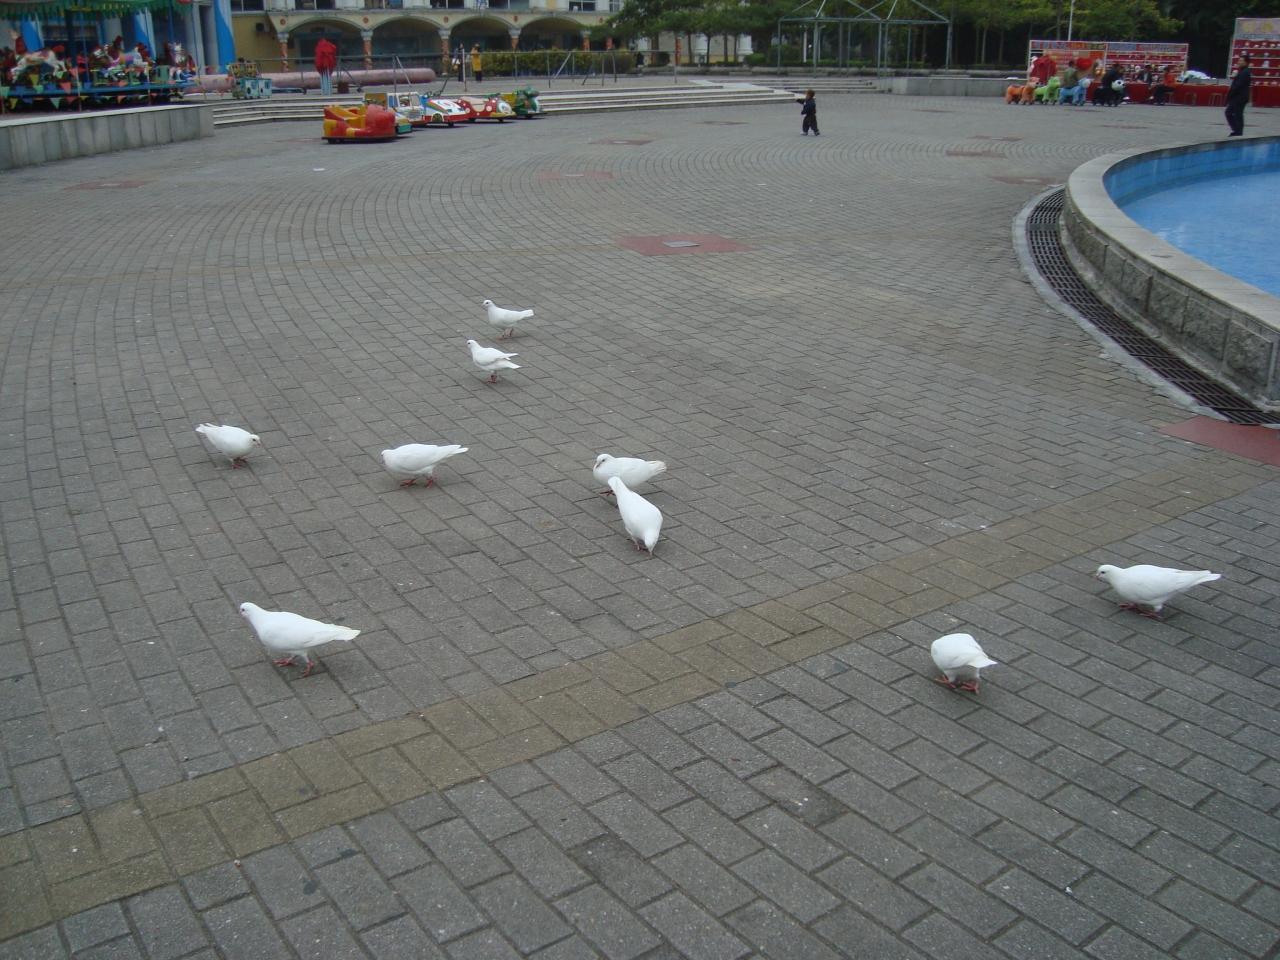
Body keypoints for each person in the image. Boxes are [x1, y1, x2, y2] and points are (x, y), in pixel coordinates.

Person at [1225, 54, 1251, 137]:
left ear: (1246, 62)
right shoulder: (1242, 71)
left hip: (1239, 97)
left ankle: (1238, 131)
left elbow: (1238, 86)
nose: (1239, 62)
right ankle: (1237, 130)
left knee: (1236, 113)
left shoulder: (1245, 72)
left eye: (1241, 61)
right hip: (1238, 97)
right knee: (1232, 113)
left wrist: (1230, 95)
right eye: (1239, 60)